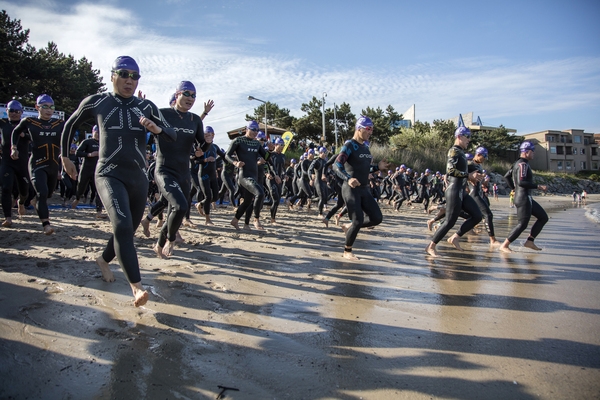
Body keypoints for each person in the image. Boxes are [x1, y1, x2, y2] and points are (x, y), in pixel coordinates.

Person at [61, 56, 176, 307]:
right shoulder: (98, 101)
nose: (129, 80)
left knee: (126, 229)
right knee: (123, 225)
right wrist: (65, 156)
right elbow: (70, 124)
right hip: (108, 173)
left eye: (135, 76)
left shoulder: (146, 107)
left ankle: (103, 259)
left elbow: (172, 135)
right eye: (124, 74)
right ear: (112, 75)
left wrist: (157, 130)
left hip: (137, 177)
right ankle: (137, 287)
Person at [333, 116, 388, 261]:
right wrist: (348, 178)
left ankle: (348, 226)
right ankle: (347, 251)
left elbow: (364, 167)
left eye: (372, 129)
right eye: (368, 129)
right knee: (358, 220)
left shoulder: (365, 146)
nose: (370, 132)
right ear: (359, 129)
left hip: (364, 188)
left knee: (377, 218)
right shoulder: (350, 145)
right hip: (350, 189)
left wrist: (377, 167)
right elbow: (336, 165)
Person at [11, 94, 64, 235]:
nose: (48, 110)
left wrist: (66, 158)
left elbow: (68, 135)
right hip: (37, 164)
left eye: (51, 107)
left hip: (53, 165)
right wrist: (14, 147)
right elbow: (16, 132)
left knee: (48, 194)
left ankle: (30, 201)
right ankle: (46, 224)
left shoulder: (59, 124)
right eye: (44, 106)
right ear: (37, 107)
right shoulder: (29, 121)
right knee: (43, 192)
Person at [425, 127, 483, 257]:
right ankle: (431, 246)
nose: (469, 139)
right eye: (467, 136)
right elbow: (450, 171)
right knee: (450, 221)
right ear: (459, 136)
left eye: (469, 137)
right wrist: (468, 176)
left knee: (477, 216)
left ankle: (455, 237)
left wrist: (473, 176)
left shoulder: (461, 153)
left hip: (461, 191)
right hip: (454, 190)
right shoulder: (454, 151)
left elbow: (460, 171)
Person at [499, 141, 548, 253]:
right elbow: (522, 182)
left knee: (543, 217)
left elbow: (507, 176)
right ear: (526, 152)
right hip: (523, 198)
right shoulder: (523, 165)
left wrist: (513, 188)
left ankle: (530, 241)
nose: (534, 154)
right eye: (533, 152)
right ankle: (504, 245)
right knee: (522, 224)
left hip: (525, 197)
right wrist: (538, 186)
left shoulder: (517, 163)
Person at [225, 120, 272, 230]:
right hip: (244, 175)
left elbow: (266, 158)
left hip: (254, 174)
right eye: (253, 130)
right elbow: (227, 155)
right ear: (247, 129)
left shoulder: (256, 143)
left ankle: (237, 221)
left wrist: (270, 150)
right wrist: (235, 162)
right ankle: (256, 220)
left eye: (257, 130)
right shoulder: (238, 141)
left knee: (247, 202)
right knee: (260, 194)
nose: (255, 132)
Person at [1, 100, 29, 227]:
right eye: (11, 111)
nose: (14, 114)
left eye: (17, 111)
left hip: (22, 162)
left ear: (21, 113)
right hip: (7, 161)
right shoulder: (2, 123)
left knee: (24, 190)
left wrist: (25, 135)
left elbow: (36, 138)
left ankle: (21, 202)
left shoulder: (25, 125)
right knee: (6, 188)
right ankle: (8, 217)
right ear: (7, 111)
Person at [72, 125, 106, 218]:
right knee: (81, 186)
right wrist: (89, 154)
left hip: (98, 170)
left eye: (100, 133)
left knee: (99, 191)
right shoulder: (87, 142)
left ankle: (99, 211)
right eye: (96, 132)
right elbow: (77, 152)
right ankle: (78, 198)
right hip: (86, 168)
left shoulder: (104, 143)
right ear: (93, 132)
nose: (98, 135)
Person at [469, 147, 499, 246]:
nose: (485, 159)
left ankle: (456, 236)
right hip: (473, 194)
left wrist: (484, 183)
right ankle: (492, 240)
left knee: (472, 216)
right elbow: (456, 175)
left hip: (477, 193)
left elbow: (479, 181)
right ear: (478, 154)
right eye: (484, 156)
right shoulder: (470, 164)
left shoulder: (479, 166)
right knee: (488, 214)